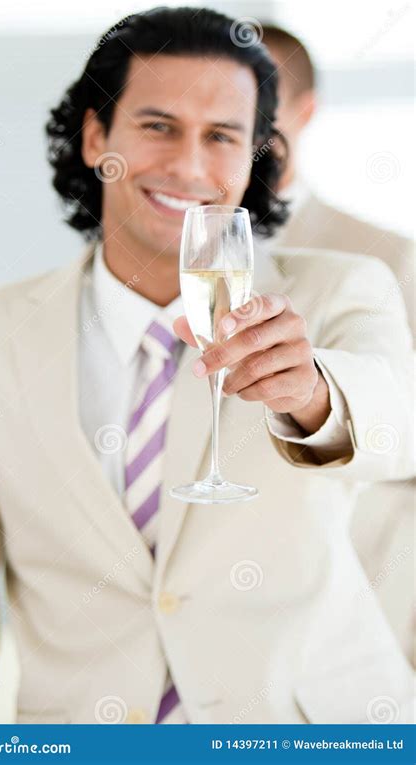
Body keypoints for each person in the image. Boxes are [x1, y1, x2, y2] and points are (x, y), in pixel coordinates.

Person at [0, 7, 413, 725]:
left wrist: (316, 394)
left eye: (222, 136)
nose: (189, 165)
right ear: (98, 136)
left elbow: (397, 427)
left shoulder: (341, 288)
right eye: (158, 126)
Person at [262, 24, 415, 665]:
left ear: (305, 111)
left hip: (359, 616)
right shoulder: (164, 261)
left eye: (257, 98)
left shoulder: (389, 257)